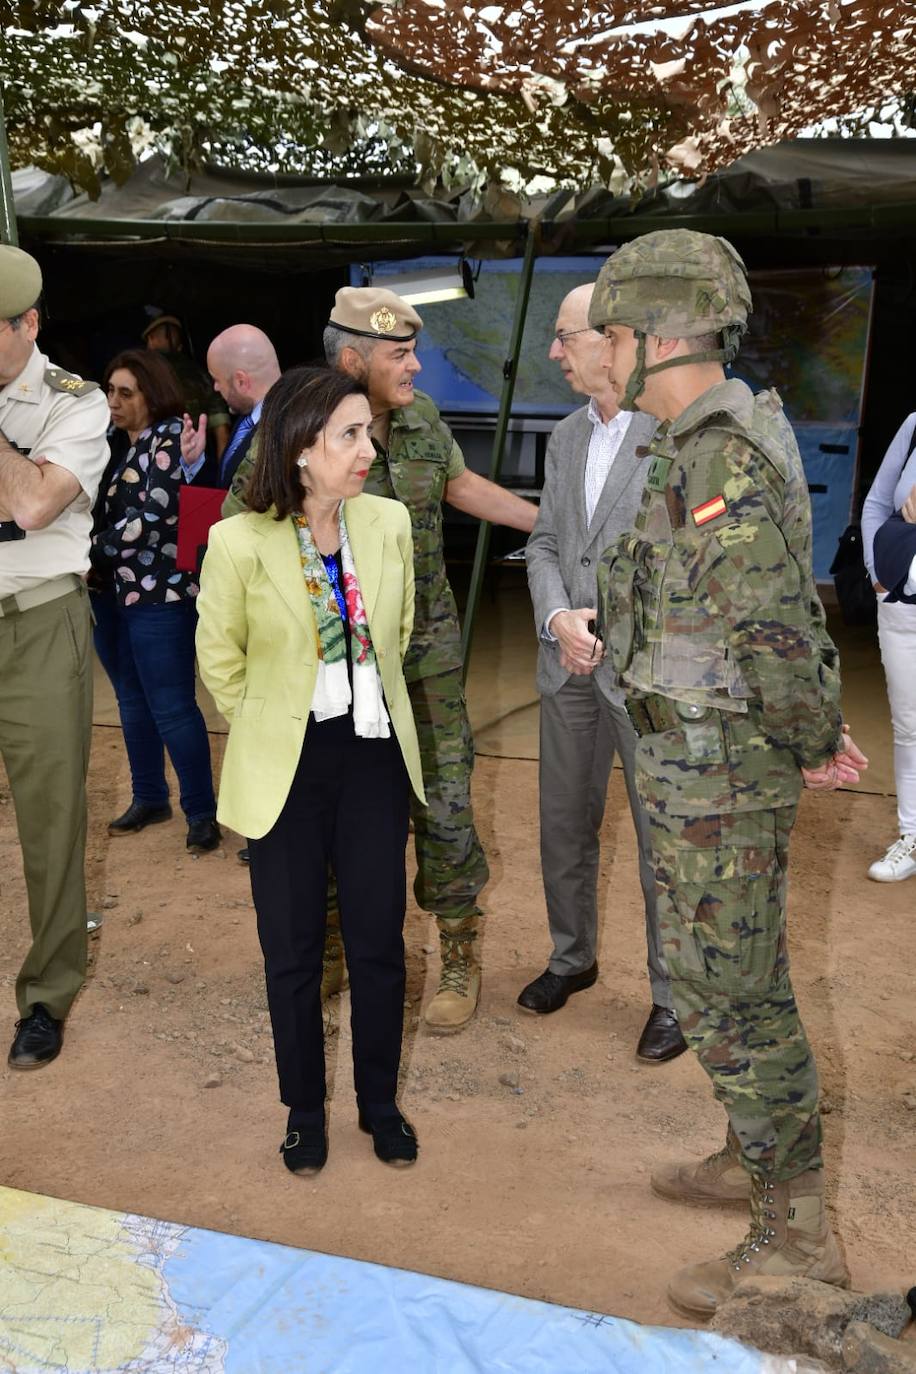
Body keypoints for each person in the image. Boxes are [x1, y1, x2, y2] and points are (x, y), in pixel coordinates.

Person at [590, 230, 868, 1318]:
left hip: (721, 782)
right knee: (722, 987)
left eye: (611, 334)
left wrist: (812, 741)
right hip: (688, 769)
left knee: (736, 998)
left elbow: (778, 634)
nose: (602, 355)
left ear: (659, 339)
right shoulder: (687, 443)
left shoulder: (717, 459)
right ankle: (745, 1153)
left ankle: (795, 1240)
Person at [226, 287, 538, 1032]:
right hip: (333, 662)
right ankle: (332, 945)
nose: (415, 366)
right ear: (351, 359)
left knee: (446, 804)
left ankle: (458, 951)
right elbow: (242, 529)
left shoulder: (423, 420)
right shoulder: (292, 423)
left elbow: (460, 486)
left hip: (423, 661)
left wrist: (551, 521)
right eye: (399, 355)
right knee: (329, 806)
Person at [195, 366, 426, 1171]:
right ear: (300, 449)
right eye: (349, 436)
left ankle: (379, 1102)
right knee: (291, 950)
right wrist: (269, 724)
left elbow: (395, 637)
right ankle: (303, 1111)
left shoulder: (389, 525)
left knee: (377, 943)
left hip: (372, 756)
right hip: (286, 763)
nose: (367, 449)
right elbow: (219, 664)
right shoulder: (238, 542)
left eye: (368, 432)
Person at [520, 283, 685, 1063]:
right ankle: (570, 959)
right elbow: (547, 542)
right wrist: (558, 619)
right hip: (568, 662)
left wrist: (608, 630)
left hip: (647, 675)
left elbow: (690, 565)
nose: (555, 353)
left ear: (609, 339)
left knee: (661, 839)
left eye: (564, 336)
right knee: (562, 823)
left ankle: (672, 997)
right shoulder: (563, 438)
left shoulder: (678, 435)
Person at [0, 243, 109, 1069]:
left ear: (28, 325)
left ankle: (47, 994)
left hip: (39, 623)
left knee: (50, 818)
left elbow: (35, 504)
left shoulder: (77, 403)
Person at [91, 348, 219, 853]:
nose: (114, 401)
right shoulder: (106, 444)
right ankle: (149, 795)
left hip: (159, 594)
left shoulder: (166, 438)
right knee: (129, 698)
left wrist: (88, 551)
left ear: (152, 393)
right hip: (108, 592)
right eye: (110, 391)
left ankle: (201, 813)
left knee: (171, 706)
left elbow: (156, 516)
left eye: (126, 392)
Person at [861, 414, 916, 882]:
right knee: (910, 727)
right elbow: (877, 502)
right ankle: (912, 834)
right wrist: (876, 574)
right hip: (901, 609)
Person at [181, 323, 281, 500]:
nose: (215, 387)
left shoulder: (289, 426)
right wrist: (196, 463)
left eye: (217, 379)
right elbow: (225, 490)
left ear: (241, 381)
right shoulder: (246, 417)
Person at [143, 313, 230, 472]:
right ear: (180, 345)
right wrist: (223, 478)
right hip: (198, 464)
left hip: (151, 462)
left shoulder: (145, 375)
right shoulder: (202, 375)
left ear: (151, 339)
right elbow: (221, 429)